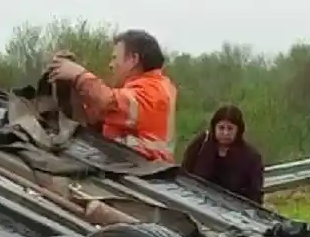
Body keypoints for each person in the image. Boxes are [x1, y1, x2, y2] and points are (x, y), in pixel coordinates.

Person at [46, 29, 178, 162]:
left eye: (115, 58)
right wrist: (72, 88)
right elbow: (99, 117)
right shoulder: (153, 87)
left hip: (144, 171)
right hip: (141, 171)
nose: (111, 65)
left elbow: (109, 104)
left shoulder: (153, 91)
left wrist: (79, 75)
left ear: (133, 59)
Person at [181, 105, 265, 203]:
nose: (225, 133)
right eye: (221, 128)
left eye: (230, 129)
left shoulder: (251, 157)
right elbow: (184, 175)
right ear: (214, 127)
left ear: (238, 130)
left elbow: (255, 194)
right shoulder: (201, 145)